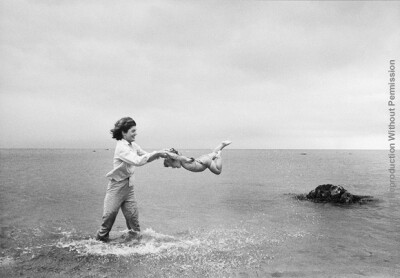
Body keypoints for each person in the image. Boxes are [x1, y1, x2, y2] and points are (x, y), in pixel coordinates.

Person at [96, 117, 167, 242]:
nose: (135, 133)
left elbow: (145, 155)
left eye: (135, 130)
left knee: (133, 220)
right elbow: (138, 161)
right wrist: (157, 153)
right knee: (109, 217)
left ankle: (135, 246)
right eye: (133, 131)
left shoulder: (133, 145)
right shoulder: (121, 147)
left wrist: (162, 154)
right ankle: (98, 243)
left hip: (129, 187)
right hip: (116, 187)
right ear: (124, 132)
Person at [163, 141, 232, 175]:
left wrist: (167, 152)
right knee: (214, 153)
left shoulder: (182, 159)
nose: (174, 167)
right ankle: (222, 145)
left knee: (218, 171)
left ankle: (219, 157)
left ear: (175, 159)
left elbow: (174, 156)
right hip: (202, 159)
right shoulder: (182, 159)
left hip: (205, 162)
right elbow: (174, 155)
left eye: (172, 165)